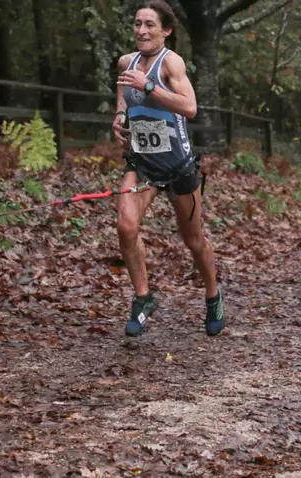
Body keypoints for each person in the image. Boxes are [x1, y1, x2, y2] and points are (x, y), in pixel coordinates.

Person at [111, 0, 224, 337]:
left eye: (150, 25)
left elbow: (190, 107)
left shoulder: (171, 62)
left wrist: (150, 86)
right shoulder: (126, 62)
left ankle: (213, 297)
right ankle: (143, 298)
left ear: (166, 30)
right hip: (142, 163)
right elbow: (123, 94)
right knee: (126, 226)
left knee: (194, 240)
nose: (142, 30)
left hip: (178, 166)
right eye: (137, 23)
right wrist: (119, 116)